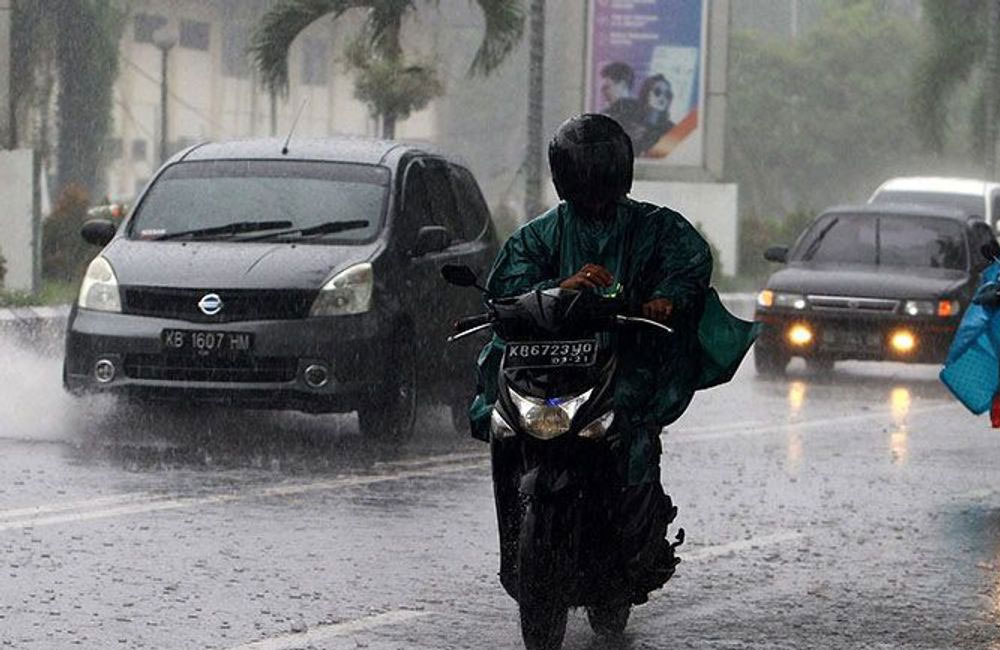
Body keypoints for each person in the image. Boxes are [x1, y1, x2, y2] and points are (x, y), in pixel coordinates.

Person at [469, 113, 757, 600]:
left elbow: (687, 262)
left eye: (601, 173)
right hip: (546, 368)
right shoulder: (539, 236)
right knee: (503, 419)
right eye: (583, 174)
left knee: (631, 433)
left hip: (624, 361)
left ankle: (636, 538)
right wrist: (561, 287)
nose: (593, 186)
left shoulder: (654, 228)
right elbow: (508, 289)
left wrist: (666, 297)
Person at [632, 74, 676, 156]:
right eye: (657, 92)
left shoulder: (672, 129)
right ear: (646, 93)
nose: (662, 98)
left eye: (667, 94)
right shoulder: (633, 124)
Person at [599, 61, 642, 134]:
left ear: (622, 85)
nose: (603, 92)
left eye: (607, 87)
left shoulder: (639, 113)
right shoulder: (643, 110)